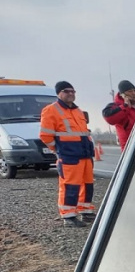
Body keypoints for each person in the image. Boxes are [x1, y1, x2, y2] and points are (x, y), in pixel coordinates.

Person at [40, 81, 97, 228]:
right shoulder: (51, 110)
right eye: (67, 91)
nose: (71, 94)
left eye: (73, 91)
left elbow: (83, 133)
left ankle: (86, 211)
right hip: (69, 156)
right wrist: (58, 150)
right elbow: (45, 136)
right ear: (59, 93)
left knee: (87, 184)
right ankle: (69, 216)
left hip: (84, 154)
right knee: (69, 185)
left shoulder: (78, 111)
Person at [102, 80, 135, 149]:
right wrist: (125, 107)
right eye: (130, 91)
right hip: (131, 148)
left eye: (134, 90)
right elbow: (109, 118)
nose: (134, 93)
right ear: (122, 95)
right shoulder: (117, 107)